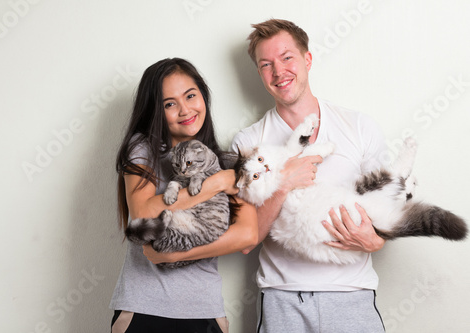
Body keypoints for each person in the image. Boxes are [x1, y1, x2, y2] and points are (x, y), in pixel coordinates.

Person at [230, 19, 387, 332]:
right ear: (260, 73)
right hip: (283, 298)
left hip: (352, 295)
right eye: (266, 64)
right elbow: (245, 242)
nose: (278, 72)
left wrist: (377, 241)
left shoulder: (358, 126)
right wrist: (283, 183)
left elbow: (385, 211)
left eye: (287, 57)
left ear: (307, 59)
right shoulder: (247, 144)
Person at [109, 57, 258, 333]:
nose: (185, 109)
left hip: (204, 311)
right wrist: (216, 184)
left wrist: (175, 256)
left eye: (190, 95)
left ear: (203, 95)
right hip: (144, 308)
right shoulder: (143, 149)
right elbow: (142, 213)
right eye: (169, 103)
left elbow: (248, 235)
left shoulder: (226, 159)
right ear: (156, 110)